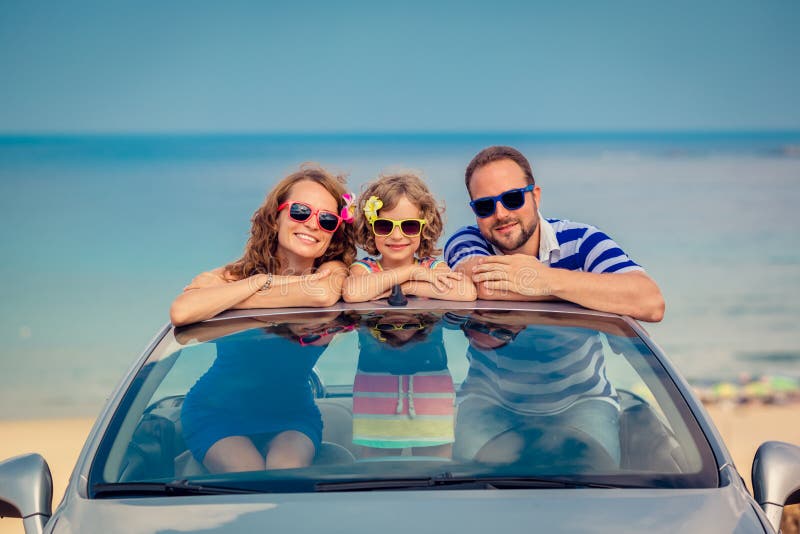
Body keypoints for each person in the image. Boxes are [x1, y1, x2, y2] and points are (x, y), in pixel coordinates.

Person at [444, 146, 664, 322]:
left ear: (535, 197)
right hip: (487, 380)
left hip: (578, 381)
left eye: (512, 199)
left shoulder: (581, 241)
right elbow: (486, 287)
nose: (500, 214)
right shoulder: (467, 240)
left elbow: (651, 302)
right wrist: (584, 295)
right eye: (485, 206)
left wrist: (547, 280)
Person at [170, 165, 357, 326]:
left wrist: (231, 298)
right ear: (274, 219)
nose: (312, 224)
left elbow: (321, 294)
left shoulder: (331, 270)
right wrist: (258, 281)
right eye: (301, 211)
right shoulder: (237, 273)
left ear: (334, 233)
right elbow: (181, 312)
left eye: (327, 219)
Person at [179, 312, 357, 473]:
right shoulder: (245, 290)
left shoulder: (328, 293)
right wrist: (263, 283)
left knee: (286, 472)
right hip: (217, 413)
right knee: (247, 474)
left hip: (291, 415)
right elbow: (183, 315)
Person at [450, 310, 620, 468]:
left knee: (603, 481)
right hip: (489, 398)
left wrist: (543, 285)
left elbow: (644, 302)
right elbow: (444, 317)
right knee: (468, 482)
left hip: (583, 399)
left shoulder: (584, 275)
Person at [343, 172, 476, 302]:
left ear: (424, 229)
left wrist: (406, 287)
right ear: (370, 229)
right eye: (384, 226)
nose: (396, 236)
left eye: (409, 226)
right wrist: (412, 272)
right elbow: (351, 293)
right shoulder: (364, 269)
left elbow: (467, 292)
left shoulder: (432, 268)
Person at [352, 311, 455, 459]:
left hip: (429, 399)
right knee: (378, 472)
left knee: (434, 469)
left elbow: (457, 319)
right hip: (377, 401)